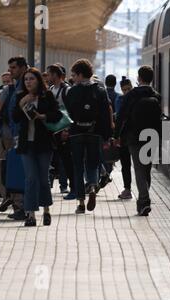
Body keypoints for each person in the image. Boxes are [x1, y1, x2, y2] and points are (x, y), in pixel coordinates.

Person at [13, 68, 62, 227]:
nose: (28, 82)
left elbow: (57, 115)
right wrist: (22, 103)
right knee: (30, 178)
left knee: (43, 178)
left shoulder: (46, 95)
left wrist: (42, 116)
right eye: (26, 79)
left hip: (43, 143)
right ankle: (31, 214)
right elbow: (14, 117)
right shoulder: (21, 96)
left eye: (31, 79)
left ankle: (46, 210)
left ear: (38, 80)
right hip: (26, 143)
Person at [65, 59, 112, 214]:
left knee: (78, 167)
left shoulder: (72, 91)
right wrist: (106, 135)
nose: (73, 78)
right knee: (92, 163)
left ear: (79, 74)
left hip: (76, 132)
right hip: (95, 132)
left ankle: (80, 203)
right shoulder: (100, 90)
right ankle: (92, 186)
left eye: (74, 75)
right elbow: (106, 114)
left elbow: (67, 113)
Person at [116, 66, 161, 216]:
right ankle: (144, 199)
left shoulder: (131, 95)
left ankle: (144, 200)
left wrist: (116, 135)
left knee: (139, 169)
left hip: (134, 137)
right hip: (151, 137)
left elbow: (121, 116)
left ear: (139, 78)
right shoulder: (156, 95)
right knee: (146, 168)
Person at [0, 56, 28, 220]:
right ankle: (18, 204)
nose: (10, 71)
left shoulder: (26, 83)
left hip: (22, 135)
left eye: (13, 68)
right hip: (15, 133)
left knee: (20, 171)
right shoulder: (17, 84)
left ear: (23, 67)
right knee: (14, 170)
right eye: (9, 68)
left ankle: (22, 207)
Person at [47, 64, 76, 200]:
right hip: (52, 130)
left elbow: (71, 112)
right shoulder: (51, 89)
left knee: (67, 160)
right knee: (55, 160)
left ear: (56, 75)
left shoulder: (67, 90)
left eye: (50, 74)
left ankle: (74, 188)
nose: (47, 77)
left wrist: (67, 130)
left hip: (63, 130)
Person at [114, 76, 133, 200]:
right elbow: (118, 119)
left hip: (132, 134)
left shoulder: (134, 99)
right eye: (124, 90)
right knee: (125, 164)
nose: (126, 92)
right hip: (123, 136)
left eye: (128, 89)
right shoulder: (119, 99)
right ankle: (127, 188)